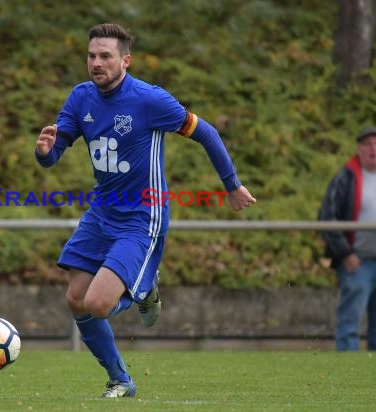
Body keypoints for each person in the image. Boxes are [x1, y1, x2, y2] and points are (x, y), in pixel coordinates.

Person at [34, 23, 256, 397]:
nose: (96, 63)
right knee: (75, 298)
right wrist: (44, 152)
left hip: (141, 216)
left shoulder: (150, 100)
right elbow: (55, 154)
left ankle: (144, 289)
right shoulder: (80, 98)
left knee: (98, 303)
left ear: (126, 60)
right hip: (101, 212)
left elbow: (207, 133)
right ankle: (120, 379)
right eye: (91, 55)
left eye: (106, 56)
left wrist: (232, 185)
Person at [318, 126, 376, 352]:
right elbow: (327, 217)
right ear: (358, 149)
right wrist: (346, 254)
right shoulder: (345, 177)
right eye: (367, 145)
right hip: (357, 262)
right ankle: (347, 376)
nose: (373, 149)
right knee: (350, 324)